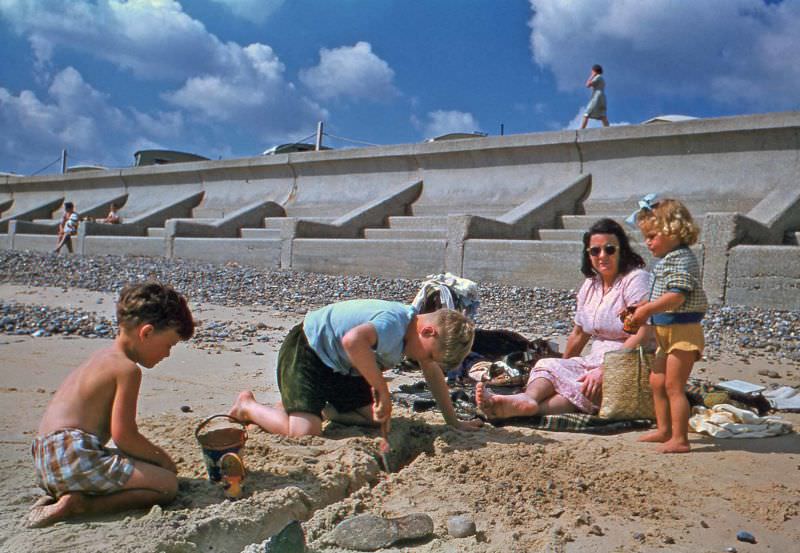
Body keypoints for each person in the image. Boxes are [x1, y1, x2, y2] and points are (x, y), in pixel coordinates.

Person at [26, 282, 195, 528]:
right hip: (73, 456)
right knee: (166, 486)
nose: (167, 354)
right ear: (146, 333)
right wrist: (162, 460)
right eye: (168, 345)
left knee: (143, 469)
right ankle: (81, 506)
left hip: (46, 460)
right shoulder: (126, 369)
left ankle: (71, 493)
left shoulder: (100, 358)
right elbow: (124, 435)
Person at [229, 300, 482, 437]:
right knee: (304, 433)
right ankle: (248, 406)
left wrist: (453, 421)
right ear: (428, 331)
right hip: (309, 350)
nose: (424, 361)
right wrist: (381, 388)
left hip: (344, 367)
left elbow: (432, 373)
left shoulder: (413, 335)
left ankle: (311, 407)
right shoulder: (393, 323)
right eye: (428, 354)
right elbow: (352, 341)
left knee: (376, 419)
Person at [477, 218, 649, 419]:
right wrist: (563, 370)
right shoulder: (591, 285)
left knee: (587, 384)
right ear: (588, 254)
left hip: (630, 360)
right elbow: (578, 334)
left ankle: (531, 410)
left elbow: (646, 333)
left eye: (609, 249)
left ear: (622, 250)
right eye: (595, 251)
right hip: (594, 359)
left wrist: (606, 369)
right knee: (548, 365)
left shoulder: (635, 280)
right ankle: (527, 399)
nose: (602, 256)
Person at [627, 197, 707, 453]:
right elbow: (658, 295)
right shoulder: (668, 260)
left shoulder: (682, 259)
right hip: (664, 331)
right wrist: (639, 307)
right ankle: (663, 429)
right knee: (657, 382)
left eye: (652, 236)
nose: (648, 242)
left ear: (673, 231)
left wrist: (647, 309)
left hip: (682, 331)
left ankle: (680, 439)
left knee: (674, 385)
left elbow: (677, 295)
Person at [580, 64, 609, 129]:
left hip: (596, 97)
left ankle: (581, 130)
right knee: (602, 115)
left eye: (592, 71)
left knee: (586, 113)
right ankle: (608, 130)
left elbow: (587, 85)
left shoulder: (597, 77)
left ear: (594, 70)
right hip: (602, 98)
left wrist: (591, 76)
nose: (591, 72)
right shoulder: (601, 78)